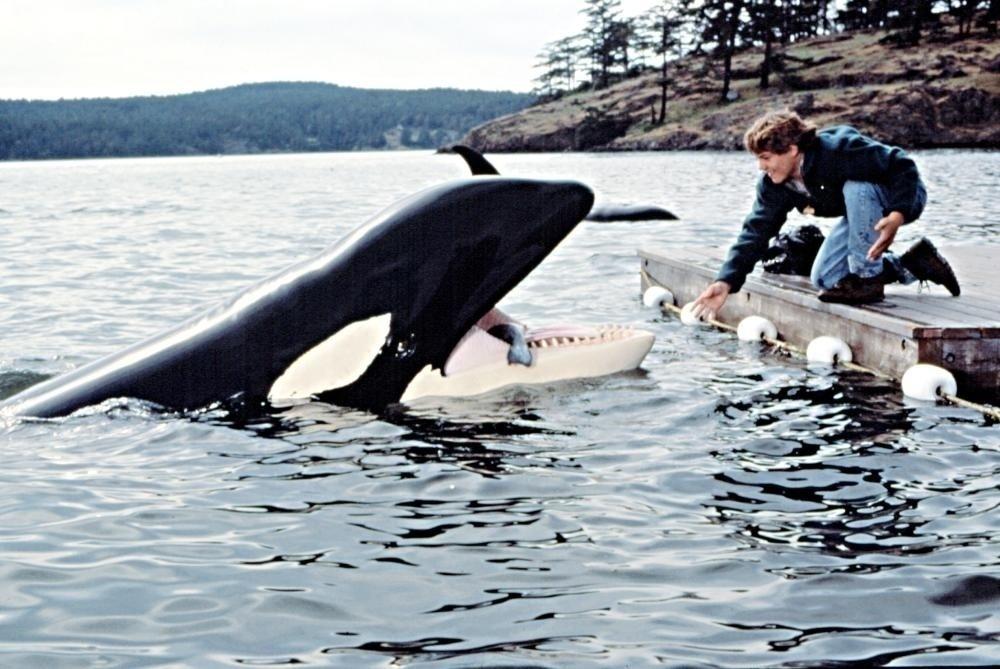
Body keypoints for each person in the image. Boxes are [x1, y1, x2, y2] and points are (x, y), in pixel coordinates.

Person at [693, 110, 960, 320]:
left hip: (898, 195)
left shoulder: (838, 149)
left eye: (765, 157)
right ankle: (915, 263)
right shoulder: (775, 185)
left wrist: (898, 214)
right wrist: (726, 282)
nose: (761, 166)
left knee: (858, 186)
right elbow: (756, 231)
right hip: (861, 210)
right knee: (826, 279)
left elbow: (902, 165)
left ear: (792, 150)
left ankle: (868, 279)